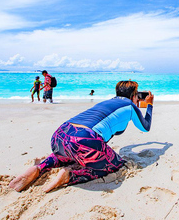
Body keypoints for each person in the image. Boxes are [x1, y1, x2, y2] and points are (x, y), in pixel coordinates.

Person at [9, 80, 154, 193]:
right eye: (136, 95)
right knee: (115, 163)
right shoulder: (131, 106)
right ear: (133, 96)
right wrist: (149, 105)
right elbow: (146, 126)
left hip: (60, 135)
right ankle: (69, 176)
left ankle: (40, 167)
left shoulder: (107, 102)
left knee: (67, 155)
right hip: (84, 139)